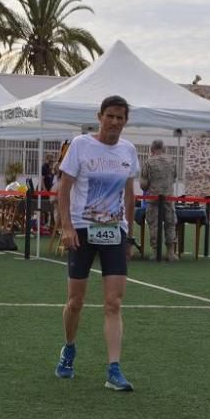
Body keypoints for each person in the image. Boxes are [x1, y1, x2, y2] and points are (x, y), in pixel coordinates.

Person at [54, 95, 140, 391]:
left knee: (114, 302)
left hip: (114, 231)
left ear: (126, 121)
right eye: (110, 116)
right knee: (75, 301)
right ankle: (69, 348)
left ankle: (114, 369)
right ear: (100, 116)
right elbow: (63, 189)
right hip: (82, 229)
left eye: (121, 118)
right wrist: (66, 226)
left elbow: (129, 194)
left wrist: (128, 234)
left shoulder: (128, 151)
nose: (115, 122)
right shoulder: (81, 145)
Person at [140, 139, 178, 261]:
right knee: (170, 223)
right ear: (164, 148)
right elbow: (174, 177)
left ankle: (156, 252)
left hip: (153, 198)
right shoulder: (171, 161)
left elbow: (143, 184)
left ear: (152, 149)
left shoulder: (148, 162)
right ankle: (170, 252)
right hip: (168, 197)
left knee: (154, 225)